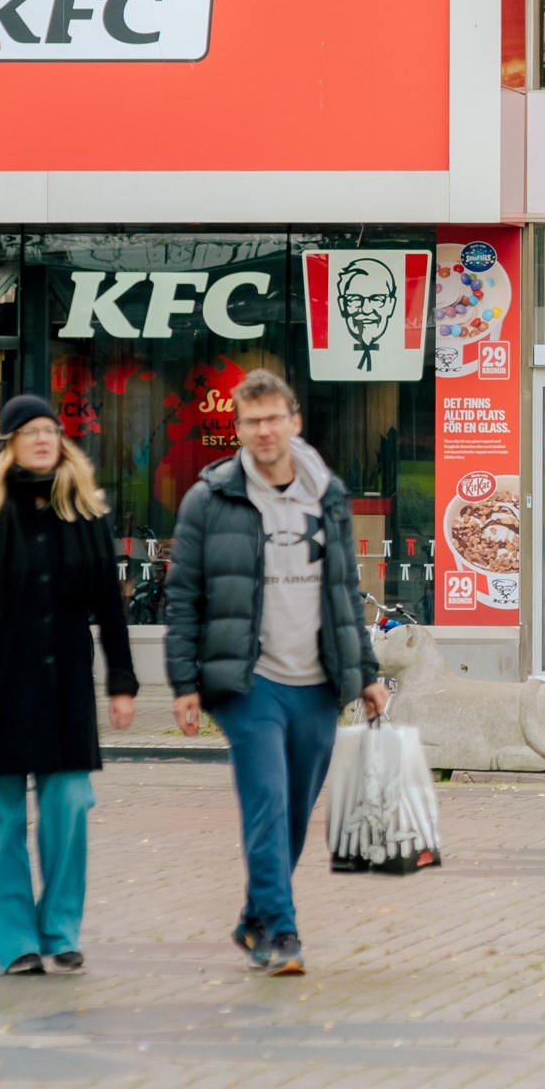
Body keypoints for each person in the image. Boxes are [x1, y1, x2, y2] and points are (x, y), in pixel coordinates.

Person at [166, 368, 389, 976]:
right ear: (237, 429)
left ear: (294, 421)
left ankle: (254, 919)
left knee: (293, 814)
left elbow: (346, 589)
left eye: (272, 418)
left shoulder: (328, 494)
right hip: (247, 680)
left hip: (317, 682)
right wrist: (183, 682)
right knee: (265, 800)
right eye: (250, 421)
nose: (263, 430)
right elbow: (184, 596)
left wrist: (365, 672)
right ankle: (283, 935)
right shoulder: (209, 499)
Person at [0, 394, 136, 976]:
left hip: (65, 690)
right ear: (10, 443)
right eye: (31, 432)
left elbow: (109, 609)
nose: (44, 440)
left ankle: (61, 929)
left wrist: (122, 681)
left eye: (52, 431)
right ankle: (16, 940)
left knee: (68, 807)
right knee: (2, 824)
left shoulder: (86, 512)